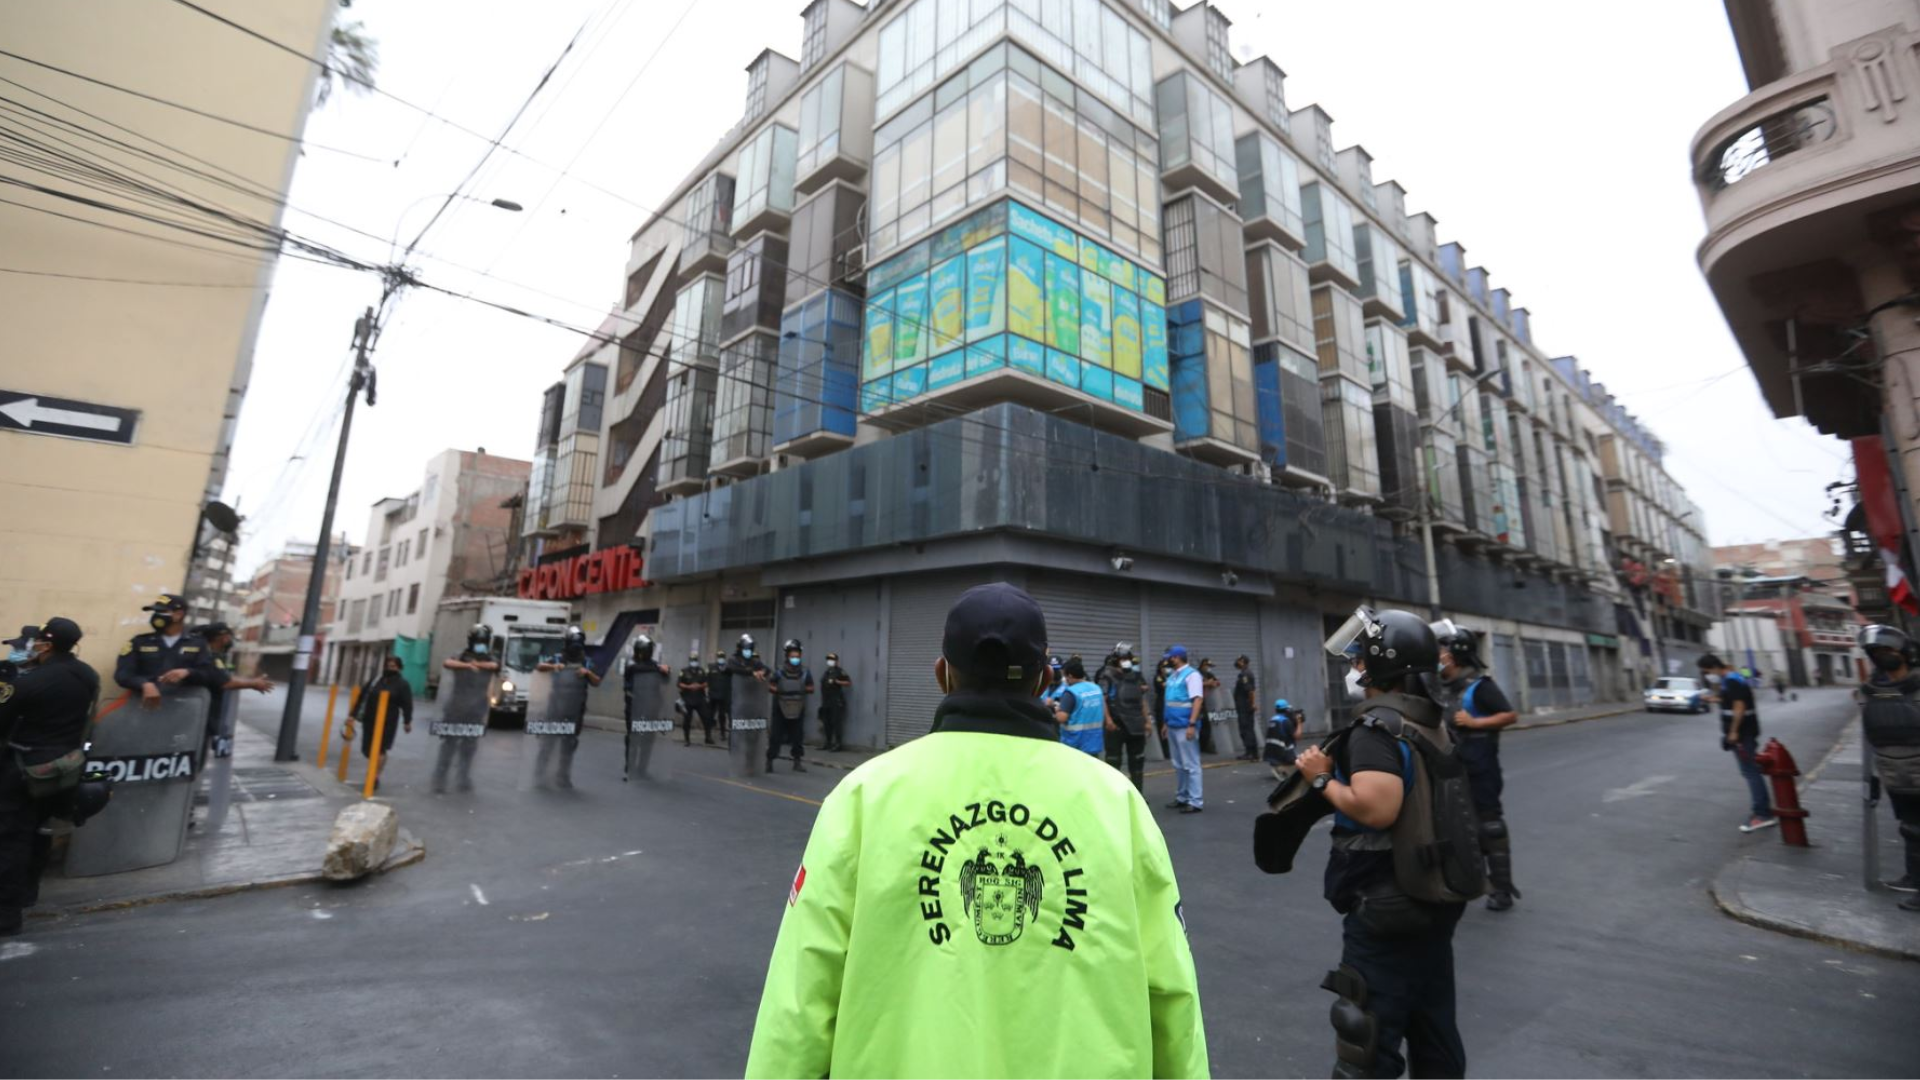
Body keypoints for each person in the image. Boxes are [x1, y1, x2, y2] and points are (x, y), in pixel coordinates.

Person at [743, 582, 1206, 1077]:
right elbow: (1172, 994)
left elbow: (800, 995)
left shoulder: (865, 797)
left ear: (943, 673)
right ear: (1043, 679)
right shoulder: (1118, 804)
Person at [1294, 608, 1472, 1079]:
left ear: (1382, 664)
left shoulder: (1376, 730)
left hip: (1385, 906)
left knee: (1365, 1039)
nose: (1354, 669)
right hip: (1432, 894)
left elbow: (1377, 808)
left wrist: (1320, 781)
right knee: (1433, 1029)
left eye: (1359, 660)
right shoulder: (1430, 722)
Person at [0, 619, 98, 936]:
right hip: (63, 769)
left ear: (46, 644)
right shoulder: (87, 675)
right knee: (41, 834)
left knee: (12, 838)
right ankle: (28, 895)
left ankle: (6, 914)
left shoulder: (32, 681)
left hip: (25, 768)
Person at [1433, 623, 1522, 912]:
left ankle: (1501, 888)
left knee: (1490, 826)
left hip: (1481, 769)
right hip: (1450, 769)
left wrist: (1475, 723)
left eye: (1442, 650)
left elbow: (1509, 715)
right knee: (1453, 827)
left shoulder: (1480, 687)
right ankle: (1462, 882)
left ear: (1456, 654)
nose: (1439, 655)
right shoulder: (1441, 689)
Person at [1856, 625, 1920, 912]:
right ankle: (1913, 877)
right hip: (1893, 773)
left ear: (1905, 653)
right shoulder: (1871, 691)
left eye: (1889, 650)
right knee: (1909, 829)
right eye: (1878, 652)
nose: (1884, 656)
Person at [1699, 654, 1775, 832]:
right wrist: (1713, 699)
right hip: (1744, 733)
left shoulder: (1732, 680)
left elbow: (1739, 707)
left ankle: (1762, 814)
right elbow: (1730, 700)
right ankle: (1762, 811)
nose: (1707, 675)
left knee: (1750, 772)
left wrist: (1733, 731)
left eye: (1707, 671)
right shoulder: (1730, 678)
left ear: (1714, 667)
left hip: (1742, 734)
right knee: (1750, 771)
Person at [113, 593, 218, 709]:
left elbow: (210, 674)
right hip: (143, 707)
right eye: (155, 612)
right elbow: (123, 675)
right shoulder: (139, 642)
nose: (156, 616)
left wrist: (188, 672)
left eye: (161, 612)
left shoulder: (198, 644)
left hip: (183, 710)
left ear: (178, 615)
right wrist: (144, 684)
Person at [192, 622, 272, 762]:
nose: (230, 641)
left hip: (204, 715)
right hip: (202, 717)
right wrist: (254, 684)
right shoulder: (208, 657)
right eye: (229, 637)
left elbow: (223, 677)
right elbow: (224, 682)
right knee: (196, 756)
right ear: (223, 638)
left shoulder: (211, 656)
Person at [534, 626, 601, 788]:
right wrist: (553, 667)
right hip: (555, 708)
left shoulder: (586, 662)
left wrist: (587, 672)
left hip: (575, 711)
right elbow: (539, 667)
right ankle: (539, 775)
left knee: (569, 745)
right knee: (548, 743)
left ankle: (563, 776)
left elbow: (597, 681)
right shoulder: (558, 658)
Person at [437, 625, 498, 794]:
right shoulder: (461, 655)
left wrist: (476, 663)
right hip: (456, 707)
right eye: (478, 641)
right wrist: (467, 666)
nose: (480, 644)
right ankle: (440, 778)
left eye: (483, 641)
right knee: (449, 744)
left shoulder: (489, 657)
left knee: (469, 746)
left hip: (476, 709)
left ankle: (463, 777)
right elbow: (447, 662)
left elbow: (495, 666)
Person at [343, 655, 413, 789]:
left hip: (388, 722)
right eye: (387, 665)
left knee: (380, 749)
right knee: (367, 750)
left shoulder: (402, 684)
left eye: (393, 666)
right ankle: (375, 769)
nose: (389, 668)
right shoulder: (375, 681)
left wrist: (407, 721)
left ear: (399, 668)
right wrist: (352, 715)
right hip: (369, 719)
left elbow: (407, 704)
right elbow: (361, 697)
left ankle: (374, 776)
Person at [1099, 643, 1150, 792]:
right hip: (1116, 725)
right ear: (1116, 659)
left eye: (1128, 658)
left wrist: (1147, 721)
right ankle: (1112, 795)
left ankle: (1138, 795)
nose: (1126, 661)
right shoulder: (1107, 675)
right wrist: (1108, 720)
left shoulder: (1135, 676)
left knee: (1138, 763)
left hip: (1136, 725)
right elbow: (1103, 699)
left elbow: (1141, 700)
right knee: (1113, 762)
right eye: (1123, 658)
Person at [623, 634, 673, 780]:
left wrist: (666, 671)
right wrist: (659, 668)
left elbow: (666, 680)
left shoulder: (653, 665)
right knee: (633, 739)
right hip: (634, 708)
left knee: (648, 740)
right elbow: (639, 669)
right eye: (648, 649)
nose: (649, 652)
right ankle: (630, 768)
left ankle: (642, 769)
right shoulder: (631, 665)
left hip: (651, 707)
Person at [1162, 645, 1205, 813]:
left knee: (1191, 764)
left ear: (1177, 657)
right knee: (1179, 764)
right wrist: (1165, 723)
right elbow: (1170, 701)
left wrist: (1192, 724)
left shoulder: (1192, 675)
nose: (1167, 660)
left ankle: (1195, 801)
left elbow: (1197, 700)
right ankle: (1182, 797)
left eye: (1170, 657)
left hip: (1185, 726)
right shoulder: (1173, 676)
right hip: (1173, 724)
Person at [763, 639, 813, 773]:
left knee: (797, 736)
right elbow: (770, 685)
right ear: (787, 656)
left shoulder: (805, 672)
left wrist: (801, 690)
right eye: (792, 656)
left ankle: (797, 762)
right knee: (776, 736)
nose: (795, 658)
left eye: (797, 656)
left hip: (798, 706)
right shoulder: (779, 671)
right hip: (780, 706)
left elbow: (811, 687)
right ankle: (769, 761)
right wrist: (779, 690)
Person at [1051, 656, 1107, 757]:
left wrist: (1056, 710)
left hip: (1075, 744)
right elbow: (1103, 708)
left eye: (1065, 676)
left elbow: (1062, 718)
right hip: (1094, 742)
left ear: (1070, 676)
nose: (1065, 679)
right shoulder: (1096, 688)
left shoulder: (1071, 692)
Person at [676, 650, 712, 746]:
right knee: (687, 720)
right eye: (692, 660)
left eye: (695, 660)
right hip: (688, 699)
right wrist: (689, 687)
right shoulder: (683, 671)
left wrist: (699, 686)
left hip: (700, 698)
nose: (694, 661)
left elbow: (707, 682)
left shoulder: (702, 671)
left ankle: (708, 738)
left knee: (707, 718)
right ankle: (687, 739)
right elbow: (679, 684)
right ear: (689, 661)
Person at [1263, 697, 1304, 780]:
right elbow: (1297, 736)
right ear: (1287, 709)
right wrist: (1299, 722)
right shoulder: (1285, 721)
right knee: (1302, 766)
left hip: (1271, 755)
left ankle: (1278, 766)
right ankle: (1281, 768)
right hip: (1282, 754)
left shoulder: (1273, 719)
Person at [819, 652, 852, 752]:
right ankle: (828, 743)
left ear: (837, 661)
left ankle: (838, 744)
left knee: (836, 723)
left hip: (836, 701)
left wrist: (838, 682)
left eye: (832, 659)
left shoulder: (840, 671)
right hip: (826, 702)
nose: (830, 661)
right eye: (829, 659)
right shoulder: (827, 672)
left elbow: (848, 682)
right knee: (827, 723)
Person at [1233, 655, 1259, 761]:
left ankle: (1252, 753)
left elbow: (1251, 691)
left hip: (1245, 706)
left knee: (1246, 729)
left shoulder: (1245, 674)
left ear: (1243, 662)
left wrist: (1252, 704)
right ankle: (1250, 752)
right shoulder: (1244, 673)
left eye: (1238, 661)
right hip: (1243, 706)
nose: (1236, 662)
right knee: (1246, 729)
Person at [1197, 658, 1222, 754]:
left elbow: (1217, 682)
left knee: (1207, 725)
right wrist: (1206, 683)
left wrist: (1214, 683)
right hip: (1198, 701)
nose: (1209, 668)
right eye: (1208, 666)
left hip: (1208, 702)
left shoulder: (1209, 674)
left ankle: (1205, 745)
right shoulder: (1197, 673)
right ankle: (1198, 746)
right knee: (1199, 725)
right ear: (1203, 665)